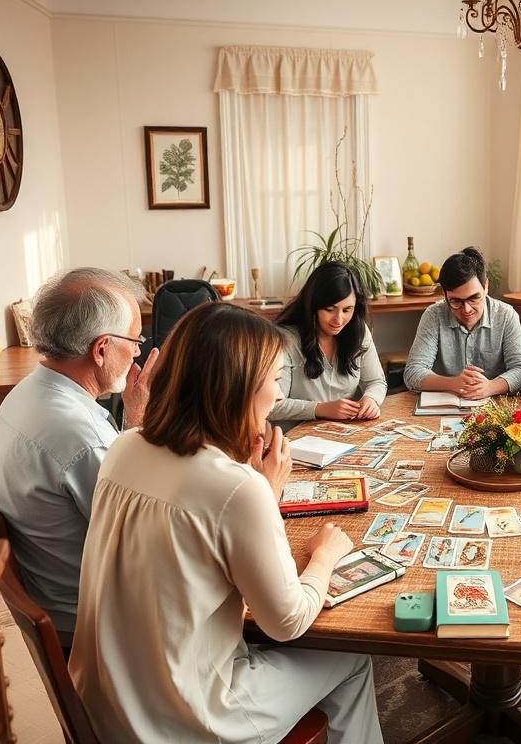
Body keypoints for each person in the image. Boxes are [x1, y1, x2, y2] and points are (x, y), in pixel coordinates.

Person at [68, 303, 382, 744]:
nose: (278, 393)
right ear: (238, 387)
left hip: (102, 703)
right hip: (186, 719)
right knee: (352, 659)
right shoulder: (235, 488)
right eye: (274, 379)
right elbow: (286, 621)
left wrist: (259, 490)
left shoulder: (124, 447)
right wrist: (325, 554)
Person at [0, 267, 157, 644]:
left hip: (58, 593)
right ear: (102, 348)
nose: (138, 351)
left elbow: (120, 490)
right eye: (135, 339)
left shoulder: (29, 390)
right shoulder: (79, 436)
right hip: (100, 622)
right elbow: (150, 538)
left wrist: (136, 418)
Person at [270, 261, 387, 428]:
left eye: (347, 310)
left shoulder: (359, 332)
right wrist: (320, 409)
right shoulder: (284, 339)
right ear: (313, 305)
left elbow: (376, 381)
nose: (338, 320)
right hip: (294, 442)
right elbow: (272, 406)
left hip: (344, 437)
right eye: (330, 309)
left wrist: (371, 399)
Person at [404, 246, 521, 398]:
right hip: (444, 405)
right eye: (456, 301)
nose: (467, 309)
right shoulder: (433, 315)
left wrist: (490, 387)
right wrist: (453, 383)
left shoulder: (506, 315)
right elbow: (413, 373)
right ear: (445, 295)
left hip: (493, 408)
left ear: (486, 287)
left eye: (474, 298)